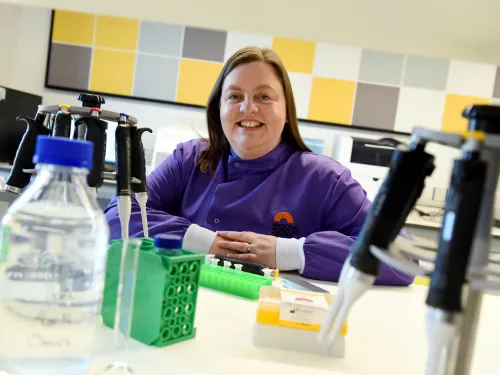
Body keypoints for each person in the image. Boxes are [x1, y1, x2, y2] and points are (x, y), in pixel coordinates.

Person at [104, 46, 414, 286]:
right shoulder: (190, 161)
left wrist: (289, 252)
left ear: (287, 110)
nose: (248, 107)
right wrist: (203, 241)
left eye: (264, 96)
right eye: (235, 95)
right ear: (219, 108)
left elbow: (404, 256)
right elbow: (116, 217)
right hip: (185, 303)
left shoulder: (324, 180)